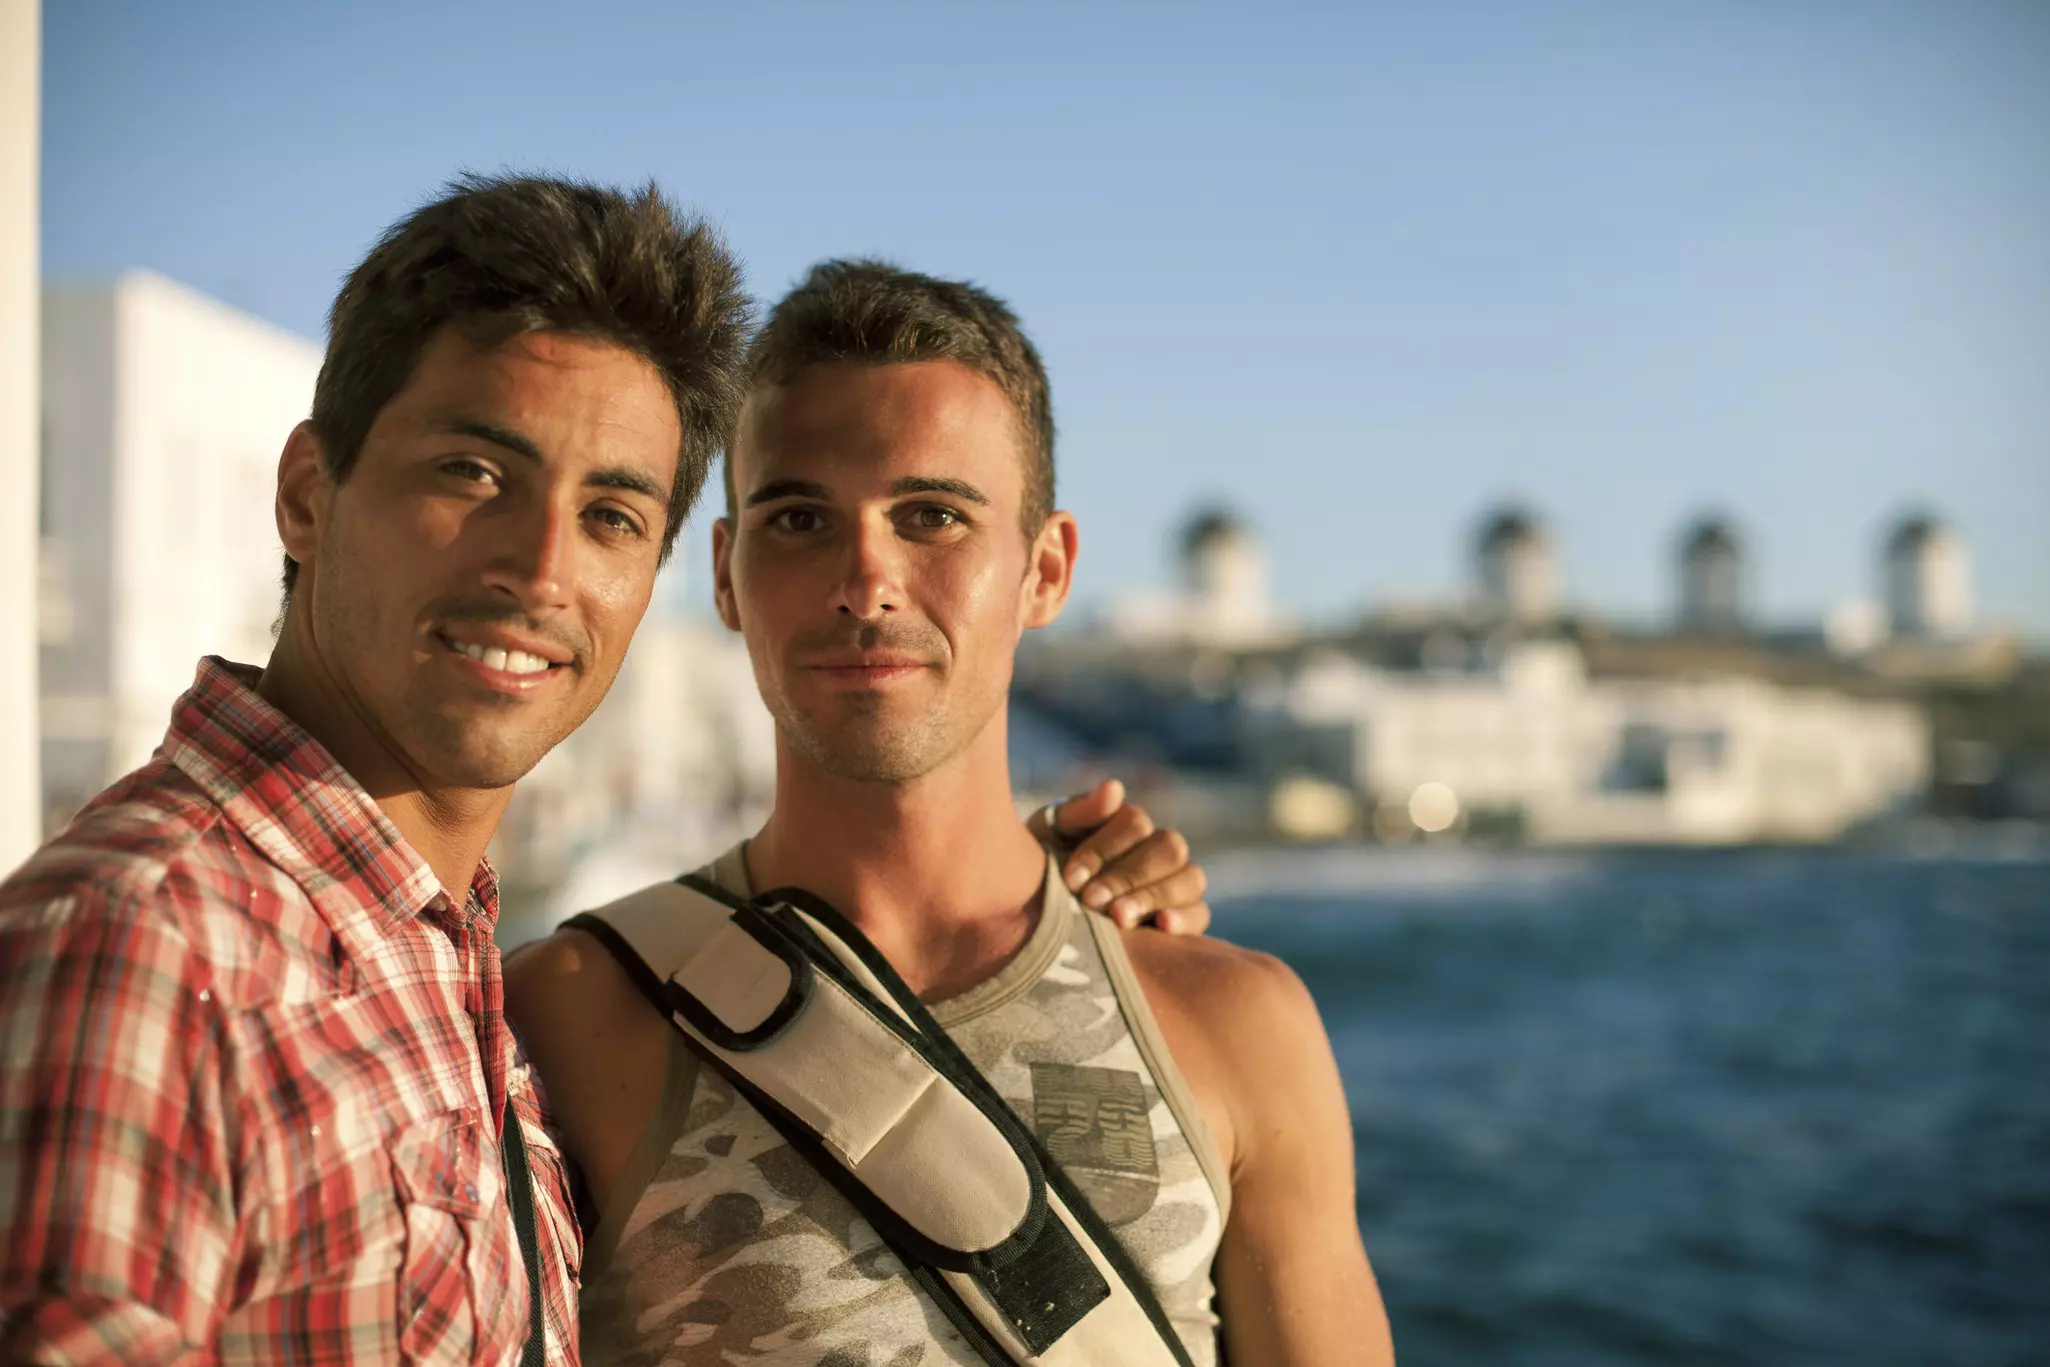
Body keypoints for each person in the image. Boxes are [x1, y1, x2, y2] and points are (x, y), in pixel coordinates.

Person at [0, 177, 1201, 1367]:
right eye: (473, 474)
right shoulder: (144, 945)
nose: (541, 569)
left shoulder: (453, 971)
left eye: (613, 517)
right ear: (309, 495)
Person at [505, 262, 1393, 1366]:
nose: (864, 577)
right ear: (727, 575)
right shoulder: (570, 1017)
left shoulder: (1236, 1028)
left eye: (931, 515)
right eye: (797, 518)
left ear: (1046, 569)